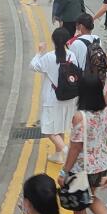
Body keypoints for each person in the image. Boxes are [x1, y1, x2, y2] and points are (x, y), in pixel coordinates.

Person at [61, 28, 107, 214]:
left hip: (82, 167)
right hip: (100, 165)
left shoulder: (80, 116)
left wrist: (65, 171)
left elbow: (75, 146)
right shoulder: (102, 112)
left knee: (79, 204)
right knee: (90, 198)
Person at [31, 27, 78, 164]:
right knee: (60, 125)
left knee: (48, 129)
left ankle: (66, 152)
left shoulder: (49, 57)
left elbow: (33, 65)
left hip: (53, 98)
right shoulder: (72, 55)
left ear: (53, 40)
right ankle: (58, 155)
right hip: (69, 97)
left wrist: (39, 52)